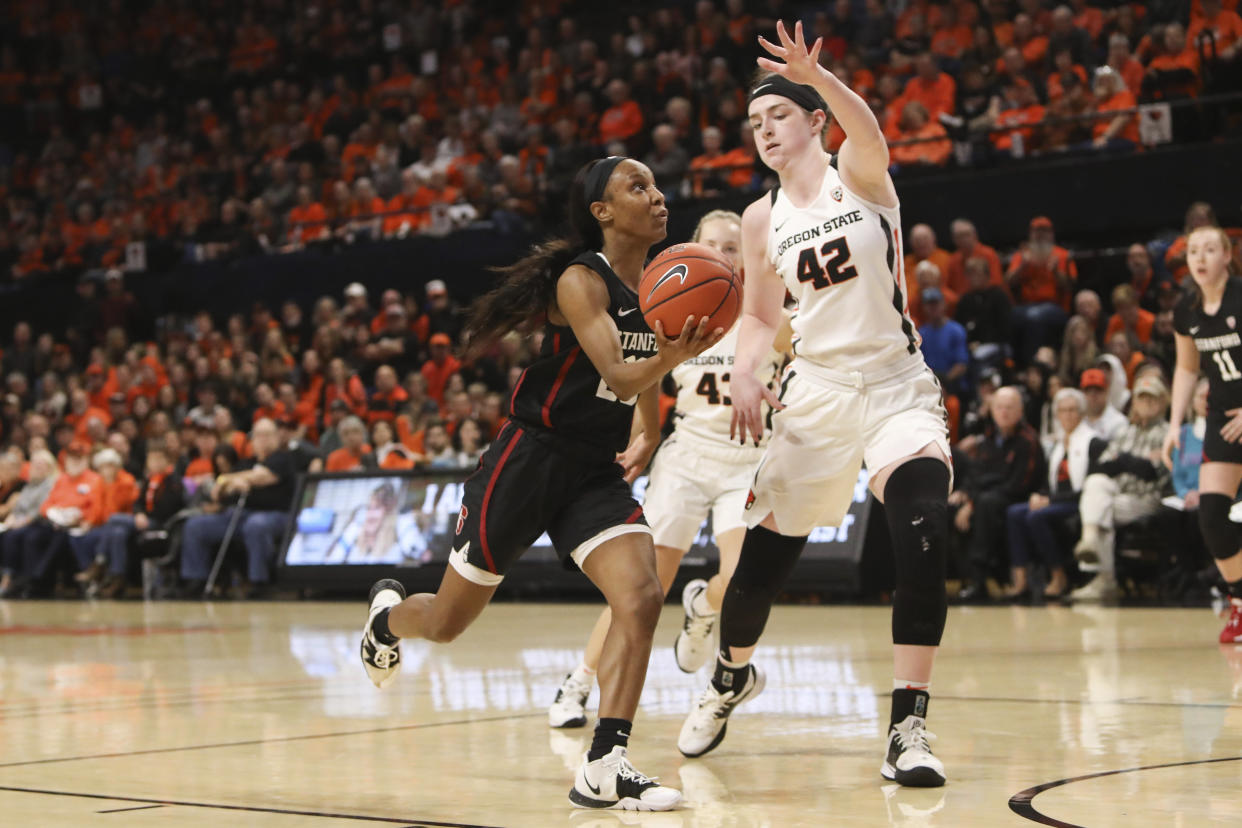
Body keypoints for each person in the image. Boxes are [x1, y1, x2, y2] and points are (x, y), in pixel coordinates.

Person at [357, 156, 722, 811]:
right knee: (444, 624)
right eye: (637, 187)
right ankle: (387, 619)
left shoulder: (667, 277)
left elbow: (641, 368)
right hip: (529, 460)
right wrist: (672, 360)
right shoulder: (581, 280)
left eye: (655, 183)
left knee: (640, 595)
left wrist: (647, 429)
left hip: (591, 471)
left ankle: (606, 762)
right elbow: (619, 361)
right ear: (603, 212)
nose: (658, 195)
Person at [677, 22, 953, 788]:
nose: (765, 131)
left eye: (778, 116)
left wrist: (817, 75)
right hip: (819, 396)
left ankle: (908, 726)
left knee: (923, 525)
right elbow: (762, 318)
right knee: (761, 568)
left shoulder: (860, 176)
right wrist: (744, 370)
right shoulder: (762, 218)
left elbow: (866, 126)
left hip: (897, 384)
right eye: (755, 124)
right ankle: (730, 677)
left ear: (815, 123)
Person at [546, 209, 790, 729]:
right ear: (693, 250)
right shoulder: (673, 305)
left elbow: (812, 361)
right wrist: (644, 436)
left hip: (749, 458)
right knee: (641, 585)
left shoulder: (770, 318)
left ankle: (703, 610)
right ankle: (579, 681)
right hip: (688, 454)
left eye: (733, 247)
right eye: (714, 246)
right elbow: (645, 377)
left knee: (743, 575)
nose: (725, 255)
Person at [1164, 226, 1242, 642]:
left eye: (1210, 250)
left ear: (1227, 256)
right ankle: (1241, 605)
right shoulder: (1186, 309)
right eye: (1194, 251)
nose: (1201, 258)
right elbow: (1187, 368)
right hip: (1223, 419)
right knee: (1212, 517)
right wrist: (1175, 424)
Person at [1073, 374, 1171, 603]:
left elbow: (1153, 472)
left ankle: (1104, 578)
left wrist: (1123, 460)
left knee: (1099, 509)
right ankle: (1090, 542)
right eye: (1142, 398)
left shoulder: (1167, 433)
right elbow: (1103, 466)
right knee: (1096, 483)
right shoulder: (1126, 431)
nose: (1147, 403)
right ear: (1134, 402)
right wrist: (1134, 461)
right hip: (1118, 495)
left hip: (1148, 499)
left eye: (1152, 399)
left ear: (1162, 403)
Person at [1003, 388, 1106, 601]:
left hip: (1079, 502)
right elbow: (1048, 482)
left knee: (1036, 516)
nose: (1067, 415)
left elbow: (1091, 487)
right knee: (1014, 512)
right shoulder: (1057, 444)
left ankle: (1058, 575)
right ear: (1057, 415)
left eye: (1072, 410)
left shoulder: (1093, 442)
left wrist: (1048, 500)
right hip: (1055, 500)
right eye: (1063, 411)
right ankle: (1020, 580)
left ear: (1081, 413)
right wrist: (1038, 495)